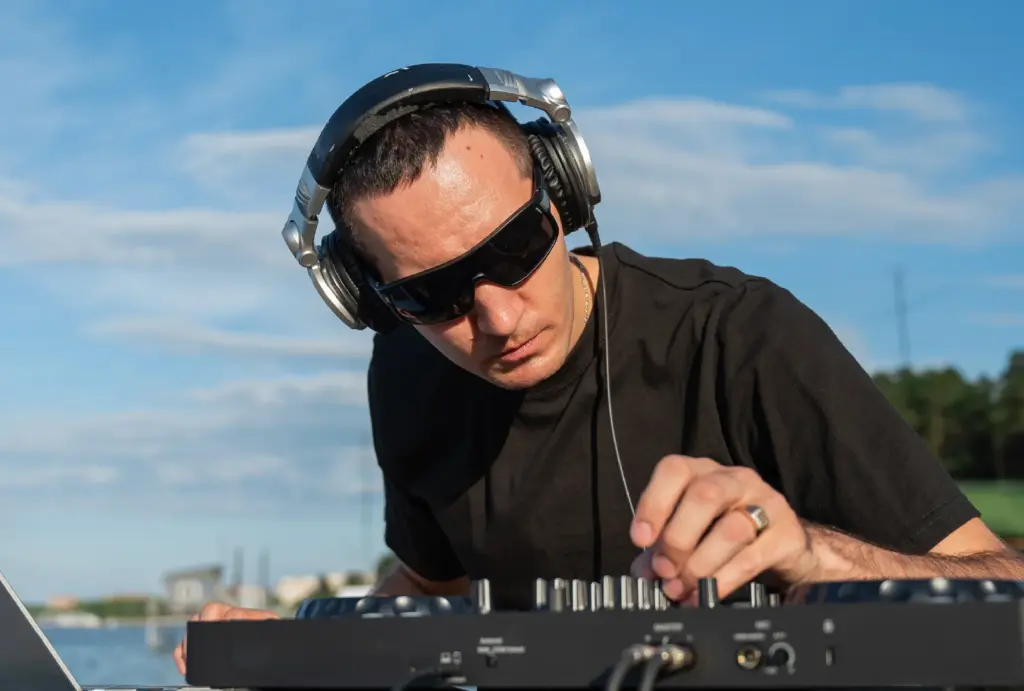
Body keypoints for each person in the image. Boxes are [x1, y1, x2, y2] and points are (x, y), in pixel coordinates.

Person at [173, 65, 1022, 675]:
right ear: (372, 299)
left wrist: (813, 554)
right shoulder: (405, 374)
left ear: (564, 195)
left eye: (514, 248)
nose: (498, 318)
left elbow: (1004, 585)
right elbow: (432, 587)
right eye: (432, 295)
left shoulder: (742, 334)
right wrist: (301, 647)